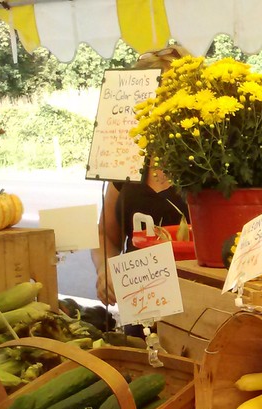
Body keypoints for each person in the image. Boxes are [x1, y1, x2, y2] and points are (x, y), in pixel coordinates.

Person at [92, 45, 191, 306]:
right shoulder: (126, 157)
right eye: (148, 98)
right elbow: (106, 235)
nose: (157, 107)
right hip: (139, 305)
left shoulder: (209, 163)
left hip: (196, 305)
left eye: (168, 96)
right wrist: (106, 268)